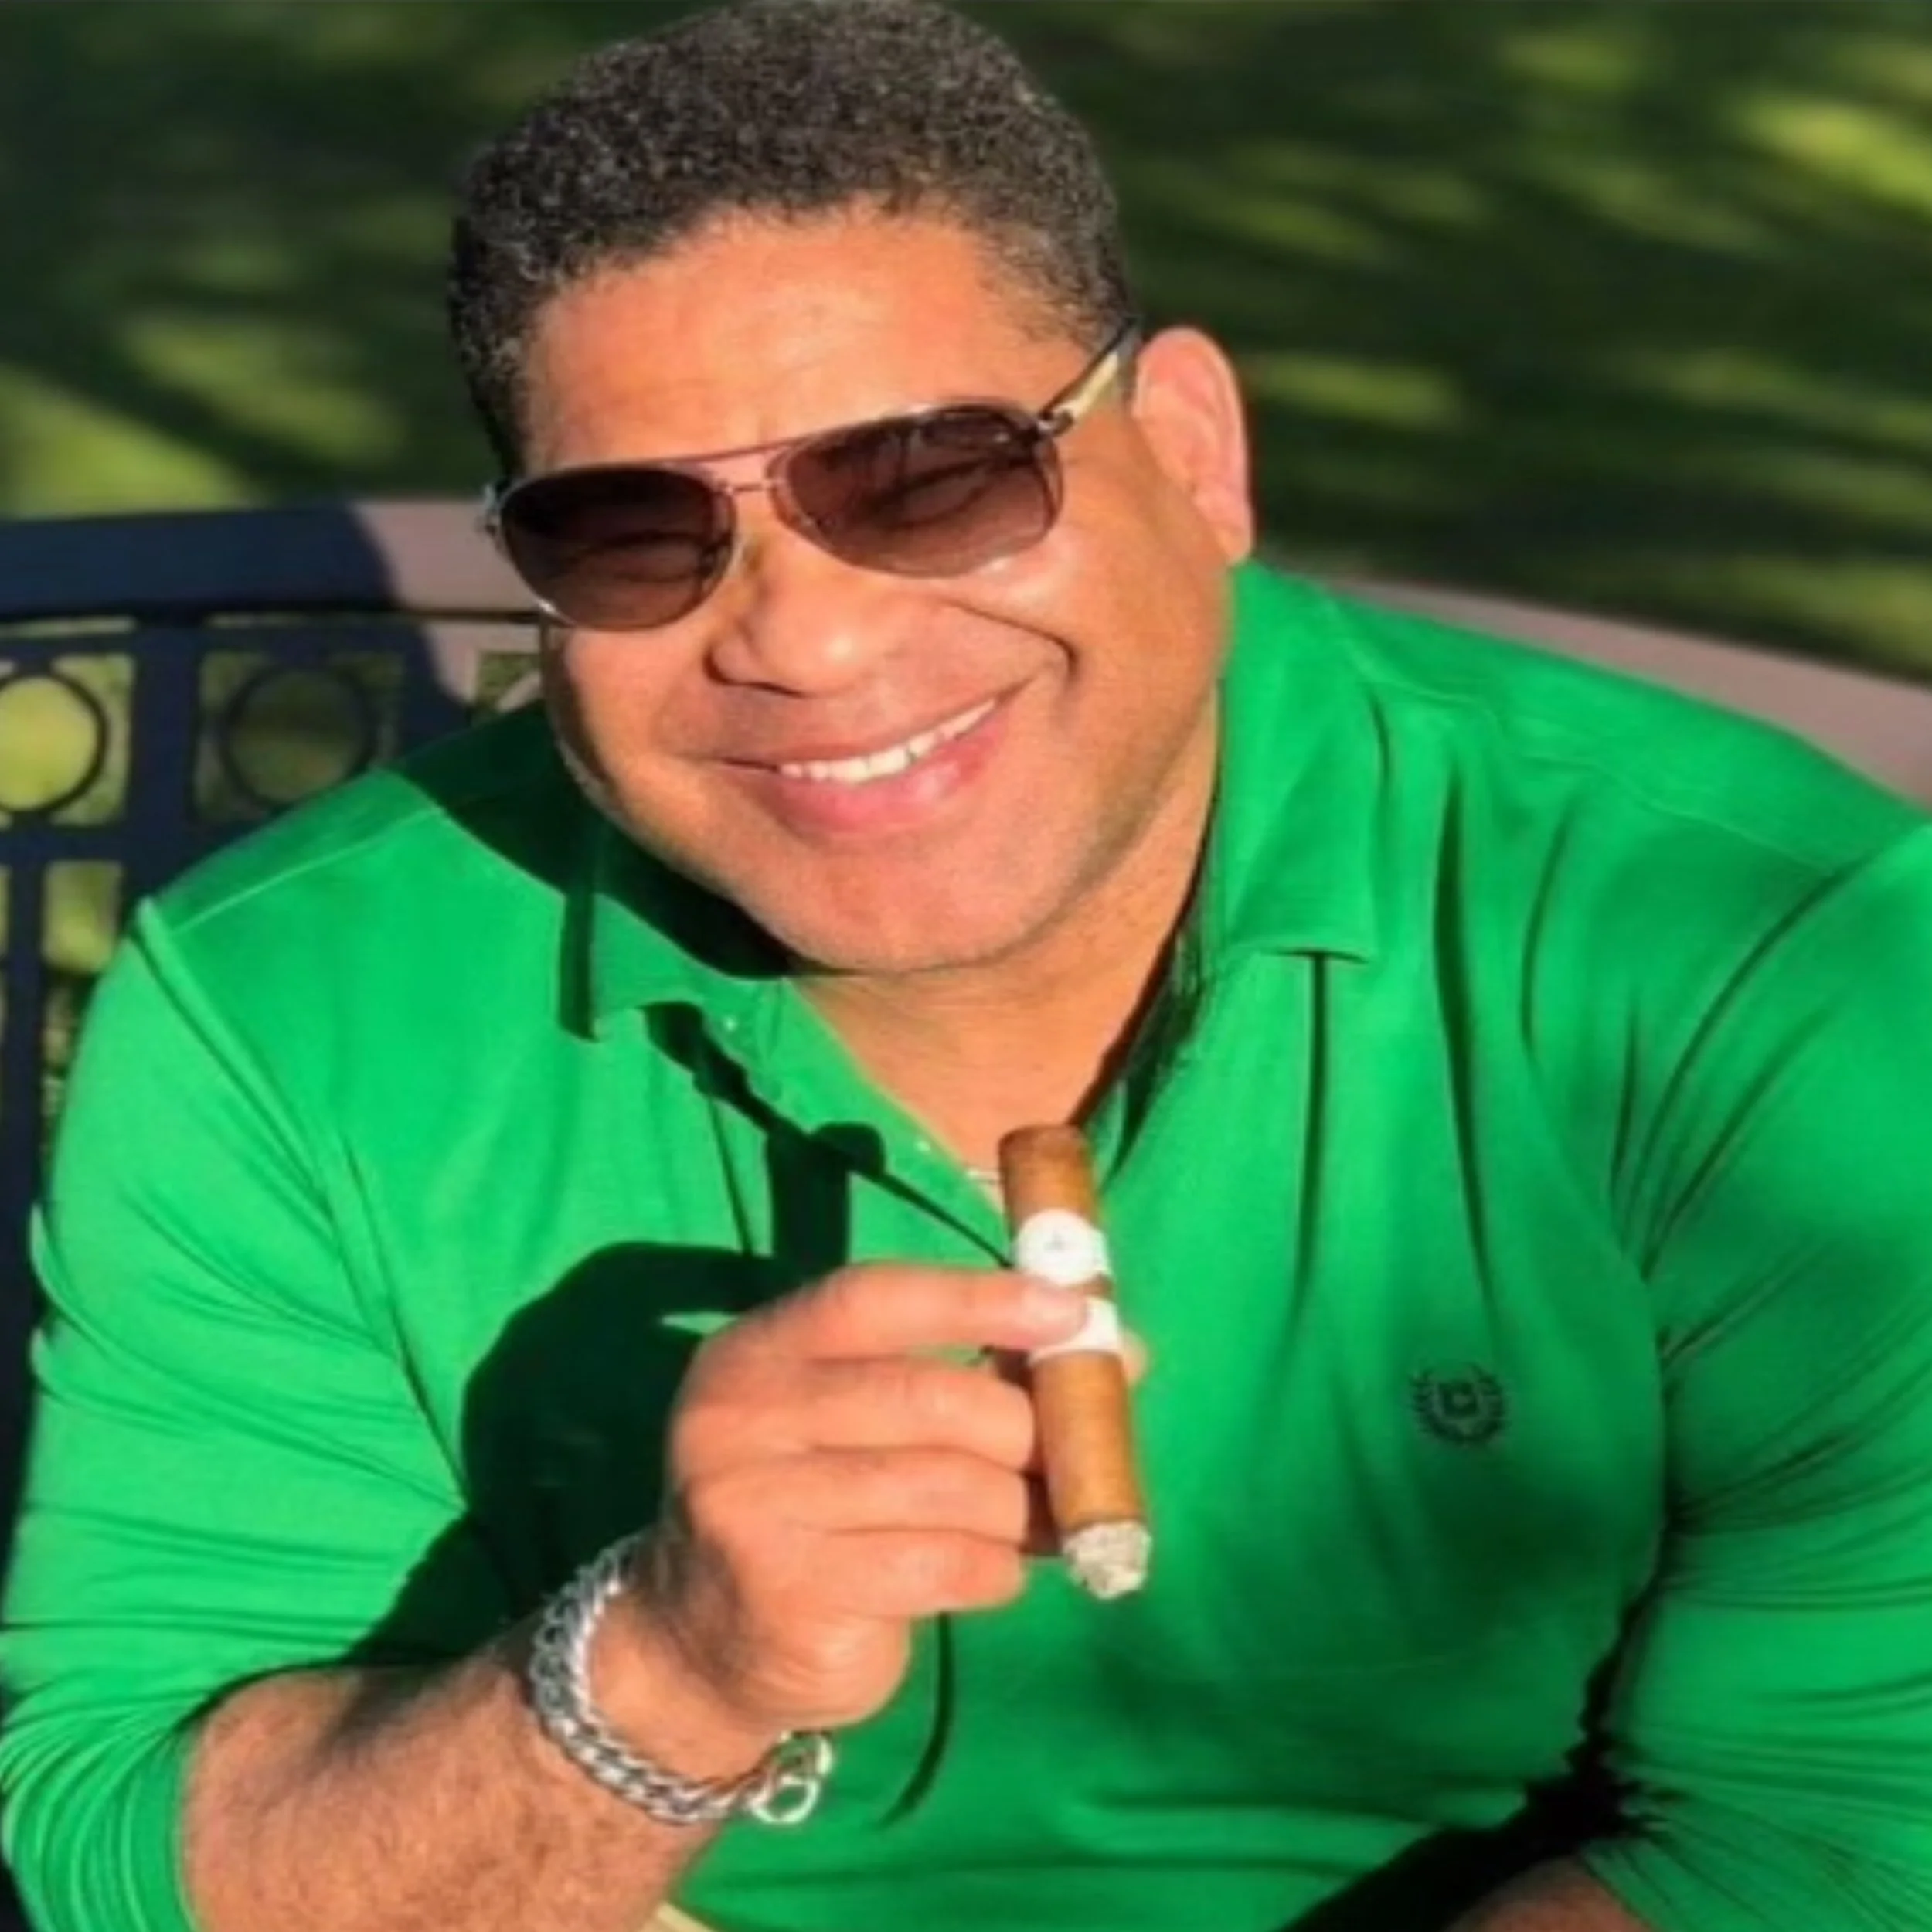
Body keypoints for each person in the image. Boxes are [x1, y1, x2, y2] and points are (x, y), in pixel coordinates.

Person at [6, 1, 1932, 1927]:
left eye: (928, 477)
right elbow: (129, 1864)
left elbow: (1837, 1836)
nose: (807, 642)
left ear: (1188, 451)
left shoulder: (1742, 949)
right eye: (633, 533)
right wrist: (661, 1669)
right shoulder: (283, 1007)